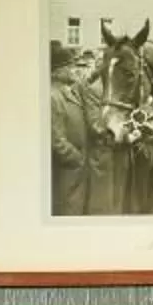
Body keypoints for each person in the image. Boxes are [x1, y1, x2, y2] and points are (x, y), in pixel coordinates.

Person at [50, 44, 104, 215]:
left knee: (79, 210)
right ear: (57, 71)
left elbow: (86, 80)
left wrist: (102, 67)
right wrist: (77, 158)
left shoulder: (72, 90)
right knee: (68, 211)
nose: (75, 69)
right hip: (68, 171)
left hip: (79, 170)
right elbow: (56, 140)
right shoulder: (53, 96)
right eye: (70, 66)